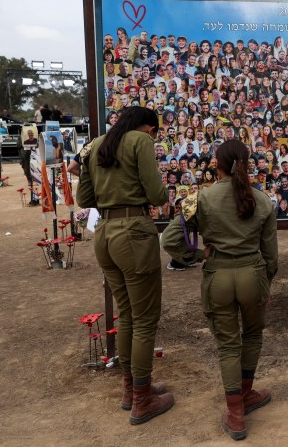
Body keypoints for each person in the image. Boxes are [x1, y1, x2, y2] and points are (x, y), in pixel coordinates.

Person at [162, 139, 278, 441]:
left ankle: (236, 414)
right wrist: (264, 283)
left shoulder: (201, 199)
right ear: (247, 164)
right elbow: (272, 257)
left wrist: (200, 256)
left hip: (219, 276)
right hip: (253, 274)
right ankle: (247, 394)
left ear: (218, 164)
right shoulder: (263, 201)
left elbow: (170, 241)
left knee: (228, 345)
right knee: (252, 335)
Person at [76, 107, 174, 426]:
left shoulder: (97, 144)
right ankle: (143, 400)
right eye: (154, 132)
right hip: (133, 232)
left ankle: (132, 389)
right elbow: (157, 195)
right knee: (145, 318)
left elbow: (83, 197)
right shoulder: (140, 141)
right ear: (148, 127)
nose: (154, 137)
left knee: (129, 313)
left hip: (104, 233)